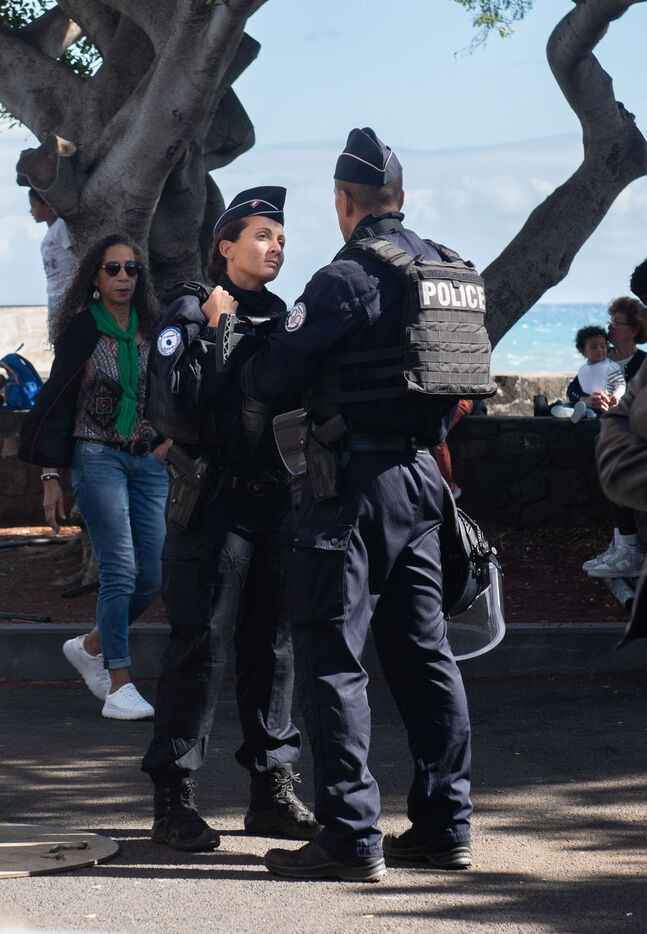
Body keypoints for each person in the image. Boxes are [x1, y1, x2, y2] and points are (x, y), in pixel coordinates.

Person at [238, 128, 487, 882]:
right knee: (425, 656)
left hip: (351, 485)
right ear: (399, 198)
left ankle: (349, 837)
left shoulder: (345, 278)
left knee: (333, 659)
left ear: (344, 202)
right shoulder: (448, 270)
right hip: (424, 482)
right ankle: (444, 828)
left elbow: (270, 378)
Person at [140, 187, 319, 853]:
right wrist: (217, 329)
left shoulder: (284, 315)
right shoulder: (191, 310)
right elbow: (175, 403)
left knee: (273, 650)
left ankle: (272, 794)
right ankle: (173, 799)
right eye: (262, 236)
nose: (275, 247)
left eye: (281, 238)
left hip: (275, 502)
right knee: (198, 648)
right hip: (212, 503)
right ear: (225, 246)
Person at [19, 234, 170, 719]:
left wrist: (168, 440)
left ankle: (90, 647)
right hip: (98, 458)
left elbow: (170, 391)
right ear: (95, 277)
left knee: (154, 574)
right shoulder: (83, 330)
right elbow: (56, 401)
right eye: (113, 269)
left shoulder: (153, 329)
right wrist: (50, 475)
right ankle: (118, 684)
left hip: (148, 462)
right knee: (120, 571)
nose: (124, 277)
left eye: (132, 269)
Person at [580, 297, 647, 578]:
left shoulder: (642, 363)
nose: (610, 328)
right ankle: (621, 545)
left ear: (634, 330)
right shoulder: (601, 358)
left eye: (618, 323)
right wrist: (587, 399)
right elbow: (573, 389)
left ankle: (629, 549)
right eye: (611, 321)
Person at [28, 188, 78, 343]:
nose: (31, 211)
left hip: (67, 294)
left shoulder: (61, 227)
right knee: (57, 339)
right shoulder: (50, 233)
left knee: (68, 338)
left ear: (47, 205)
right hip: (54, 295)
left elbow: (77, 253)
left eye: (34, 206)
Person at [562, 325, 625, 422]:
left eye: (603, 346)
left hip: (604, 404)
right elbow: (572, 389)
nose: (599, 350)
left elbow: (620, 384)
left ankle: (584, 414)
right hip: (587, 403)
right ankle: (570, 411)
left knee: (591, 412)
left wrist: (616, 396)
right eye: (594, 347)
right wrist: (585, 399)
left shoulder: (611, 367)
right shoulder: (584, 370)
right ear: (583, 352)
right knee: (568, 405)